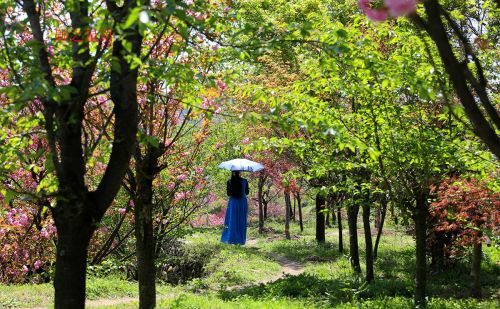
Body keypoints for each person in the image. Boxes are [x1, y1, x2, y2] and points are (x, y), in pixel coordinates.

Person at [221, 171, 249, 245]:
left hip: (233, 202)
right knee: (241, 220)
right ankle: (240, 240)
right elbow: (247, 192)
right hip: (242, 202)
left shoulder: (229, 181)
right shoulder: (244, 181)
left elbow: (228, 194)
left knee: (231, 220)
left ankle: (230, 239)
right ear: (239, 172)